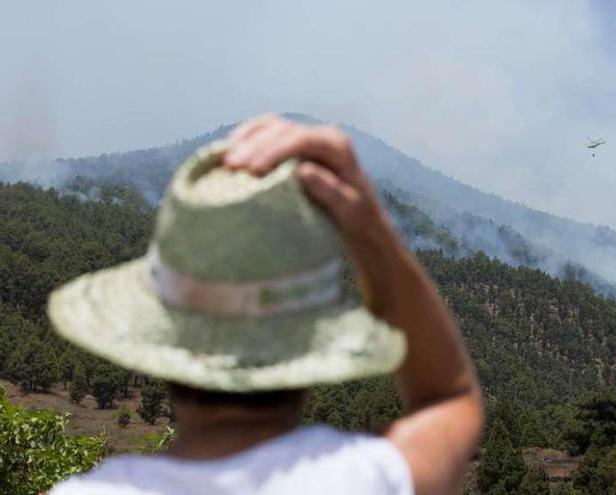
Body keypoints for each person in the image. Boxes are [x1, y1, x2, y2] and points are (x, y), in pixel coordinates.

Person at [48, 114, 484, 494]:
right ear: (310, 344)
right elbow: (448, 399)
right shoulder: (364, 479)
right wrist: (368, 224)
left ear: (158, 337)